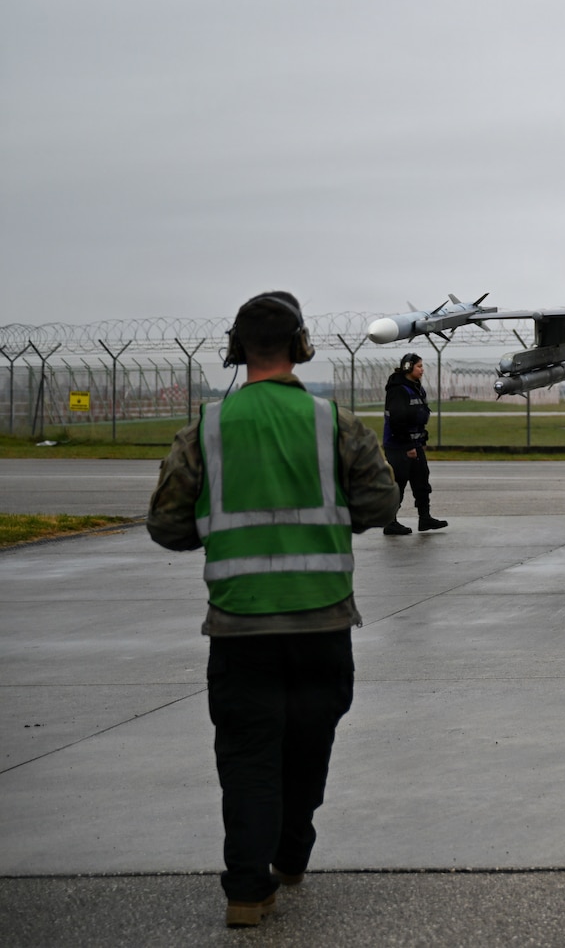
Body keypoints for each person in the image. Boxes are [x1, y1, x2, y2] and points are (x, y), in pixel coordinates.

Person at [146, 292, 400, 928]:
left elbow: (168, 525)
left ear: (236, 349)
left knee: (247, 754)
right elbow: (378, 506)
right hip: (323, 622)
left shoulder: (203, 429)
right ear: (302, 346)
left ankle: (246, 891)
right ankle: (291, 855)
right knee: (309, 745)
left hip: (240, 628)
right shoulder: (334, 423)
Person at [381, 352, 447, 534]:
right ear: (408, 367)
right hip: (399, 445)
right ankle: (390, 522)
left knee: (421, 481)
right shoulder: (398, 390)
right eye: (419, 366)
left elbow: (417, 415)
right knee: (399, 483)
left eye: (422, 366)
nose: (422, 369)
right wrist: (408, 446)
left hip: (414, 443)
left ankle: (425, 519)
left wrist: (421, 438)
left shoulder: (415, 387)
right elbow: (398, 421)